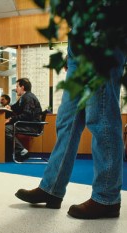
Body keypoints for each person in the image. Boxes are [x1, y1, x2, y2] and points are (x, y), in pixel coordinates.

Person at [15, 44, 126, 219]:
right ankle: (52, 189)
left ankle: (107, 198)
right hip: (77, 51)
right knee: (66, 122)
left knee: (101, 117)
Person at [5, 78, 42, 161]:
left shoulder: (28, 97)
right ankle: (11, 153)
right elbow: (15, 107)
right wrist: (9, 107)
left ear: (22, 87)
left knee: (5, 129)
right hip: (28, 124)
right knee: (7, 127)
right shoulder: (24, 97)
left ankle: (22, 151)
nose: (16, 89)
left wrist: (10, 119)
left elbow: (26, 115)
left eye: (17, 86)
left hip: (32, 126)